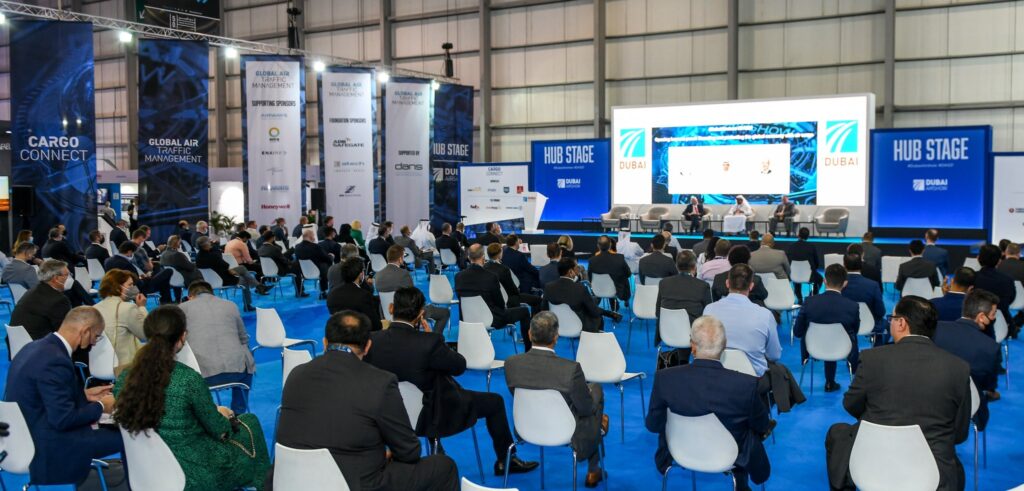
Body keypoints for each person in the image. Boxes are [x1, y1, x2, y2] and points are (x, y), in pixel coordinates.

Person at [364, 288, 538, 477]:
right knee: (495, 402)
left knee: (426, 390)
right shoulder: (429, 342)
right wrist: (433, 338)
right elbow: (459, 366)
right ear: (421, 314)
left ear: (391, 308)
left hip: (390, 416)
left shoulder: (373, 341)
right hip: (432, 415)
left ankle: (436, 451)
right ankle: (506, 460)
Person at [276, 310, 458, 491]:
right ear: (368, 346)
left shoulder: (296, 374)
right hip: (353, 483)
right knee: (444, 467)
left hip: (291, 480)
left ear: (325, 343)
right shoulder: (380, 382)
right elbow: (409, 451)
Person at [113, 305, 270, 490]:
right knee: (250, 422)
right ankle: (266, 485)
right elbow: (220, 431)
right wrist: (224, 414)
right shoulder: (187, 379)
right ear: (182, 337)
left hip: (148, 470)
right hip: (195, 472)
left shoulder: (125, 379)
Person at [825, 296, 971, 491]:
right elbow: (960, 432)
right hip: (933, 471)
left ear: (901, 323)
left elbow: (851, 404)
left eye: (891, 318)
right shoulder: (959, 368)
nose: (890, 323)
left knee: (837, 433)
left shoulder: (872, 358)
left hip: (872, 460)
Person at [646, 315, 772, 490]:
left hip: (680, 450)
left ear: (692, 346)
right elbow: (762, 425)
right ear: (724, 345)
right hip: (729, 455)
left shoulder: (665, 378)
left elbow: (653, 425)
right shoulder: (745, 385)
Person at [4, 306, 122, 485]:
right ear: (86, 331)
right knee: (130, 434)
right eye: (96, 336)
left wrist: (84, 395)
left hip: (22, 436)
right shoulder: (55, 360)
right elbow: (63, 419)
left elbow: (41, 394)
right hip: (48, 443)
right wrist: (101, 406)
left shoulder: (34, 347)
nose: (94, 342)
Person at [504, 311, 607, 488]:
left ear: (529, 334)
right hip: (564, 430)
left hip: (527, 427)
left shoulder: (511, 364)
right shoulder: (570, 369)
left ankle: (599, 428)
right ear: (556, 337)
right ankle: (593, 468)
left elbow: (517, 395)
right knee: (595, 394)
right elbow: (585, 409)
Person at [178, 281, 256, 415]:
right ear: (212, 293)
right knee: (247, 359)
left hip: (201, 376)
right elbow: (244, 338)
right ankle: (239, 414)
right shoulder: (230, 305)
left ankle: (203, 415)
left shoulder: (181, 308)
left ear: (190, 296)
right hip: (237, 372)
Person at [933, 289, 1001, 428]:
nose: (994, 318)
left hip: (931, 398)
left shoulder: (935, 329)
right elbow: (988, 385)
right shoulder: (991, 348)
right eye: (993, 314)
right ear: (981, 317)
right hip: (968, 406)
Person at [703, 264, 781, 378]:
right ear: (751, 286)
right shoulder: (765, 315)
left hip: (716, 376)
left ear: (727, 283)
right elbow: (774, 355)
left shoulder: (709, 310)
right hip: (753, 380)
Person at [793, 264, 860, 392]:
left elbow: (797, 332)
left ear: (824, 281)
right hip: (842, 347)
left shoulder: (809, 302)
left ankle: (829, 381)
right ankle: (831, 382)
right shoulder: (852, 306)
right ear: (845, 283)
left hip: (813, 347)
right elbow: (855, 331)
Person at [456, 244, 532, 350]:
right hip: (491, 318)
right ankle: (528, 349)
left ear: (469, 257)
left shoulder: (458, 277)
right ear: (483, 256)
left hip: (467, 318)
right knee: (525, 311)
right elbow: (500, 303)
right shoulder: (491, 277)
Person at [654, 250, 712, 367]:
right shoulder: (702, 286)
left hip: (667, 332)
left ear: (677, 266)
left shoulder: (664, 283)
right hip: (693, 335)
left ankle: (681, 361)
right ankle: (684, 361)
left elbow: (657, 312)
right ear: (694, 267)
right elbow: (708, 316)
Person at [374, 245, 451, 332]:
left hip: (387, 315)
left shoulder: (377, 275)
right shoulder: (403, 274)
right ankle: (435, 338)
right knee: (445, 313)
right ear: (400, 259)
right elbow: (414, 296)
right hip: (408, 314)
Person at [544, 257, 621, 333]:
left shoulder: (548, 287)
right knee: (596, 315)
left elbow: (544, 308)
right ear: (570, 271)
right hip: (578, 326)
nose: (578, 269)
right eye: (576, 268)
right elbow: (594, 311)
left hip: (556, 326)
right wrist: (607, 313)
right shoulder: (580, 288)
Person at [94, 268, 148, 370]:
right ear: (118, 287)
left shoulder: (94, 308)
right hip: (126, 365)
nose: (134, 288)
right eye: (130, 285)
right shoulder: (127, 308)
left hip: (100, 364)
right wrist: (142, 307)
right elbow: (146, 334)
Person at [10, 259, 73, 342]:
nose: (70, 277)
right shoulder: (59, 300)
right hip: (39, 344)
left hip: (17, 342)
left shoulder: (35, 290)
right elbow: (65, 331)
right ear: (55, 278)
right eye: (67, 275)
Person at [196, 236, 265, 310]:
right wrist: (215, 246)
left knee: (241, 268)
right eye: (209, 242)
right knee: (244, 280)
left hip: (209, 280)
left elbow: (222, 264)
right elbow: (224, 264)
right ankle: (248, 305)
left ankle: (258, 286)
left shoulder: (198, 257)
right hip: (223, 279)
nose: (211, 244)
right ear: (206, 245)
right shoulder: (213, 255)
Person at [327, 258, 384, 331]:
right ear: (360, 274)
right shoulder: (363, 296)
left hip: (338, 334)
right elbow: (376, 325)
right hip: (358, 335)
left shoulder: (331, 294)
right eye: (363, 271)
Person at [841, 252, 886, 346]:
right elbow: (881, 311)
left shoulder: (838, 285)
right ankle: (877, 351)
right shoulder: (873, 285)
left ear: (844, 265)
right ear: (861, 265)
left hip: (844, 324)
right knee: (886, 325)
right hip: (870, 324)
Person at [484, 243, 542, 313]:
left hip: (493, 300)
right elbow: (512, 289)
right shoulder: (504, 269)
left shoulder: (484, 267)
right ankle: (535, 319)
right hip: (508, 298)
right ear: (499, 253)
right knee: (539, 300)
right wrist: (518, 290)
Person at [974, 244, 1016, 339]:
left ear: (978, 258)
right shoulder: (1007, 280)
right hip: (1002, 323)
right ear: (999, 261)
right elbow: (1011, 299)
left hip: (975, 322)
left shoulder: (973, 277)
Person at [588, 235, 632, 310]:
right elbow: (628, 274)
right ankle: (624, 300)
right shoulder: (619, 258)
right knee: (622, 278)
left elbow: (590, 278)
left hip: (598, 290)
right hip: (616, 291)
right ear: (610, 245)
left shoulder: (592, 261)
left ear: (598, 246)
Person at [257, 232, 305, 298]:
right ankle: (300, 292)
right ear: (272, 238)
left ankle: (300, 291)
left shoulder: (260, 249)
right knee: (297, 267)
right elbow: (284, 261)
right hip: (279, 270)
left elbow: (281, 257)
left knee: (294, 264)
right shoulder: (274, 249)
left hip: (266, 271)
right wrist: (292, 263)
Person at [295, 228, 333, 298]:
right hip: (317, 271)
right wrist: (331, 257)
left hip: (302, 272)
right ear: (310, 237)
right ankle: (323, 291)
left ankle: (300, 291)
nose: (314, 237)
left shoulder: (297, 247)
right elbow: (326, 258)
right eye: (313, 235)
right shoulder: (315, 247)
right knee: (326, 263)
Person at [161, 235, 201, 300]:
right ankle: (197, 297)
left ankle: (179, 298)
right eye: (180, 243)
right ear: (177, 244)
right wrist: (196, 264)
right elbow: (190, 267)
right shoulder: (177, 255)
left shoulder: (163, 254)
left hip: (172, 279)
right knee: (198, 273)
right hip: (183, 278)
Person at [787, 227, 822, 302]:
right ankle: (811, 297)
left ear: (798, 235)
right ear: (808, 236)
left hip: (794, 275)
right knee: (819, 279)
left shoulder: (791, 246)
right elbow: (816, 264)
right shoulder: (811, 246)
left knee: (796, 277)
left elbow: (788, 262)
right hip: (809, 276)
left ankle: (799, 298)